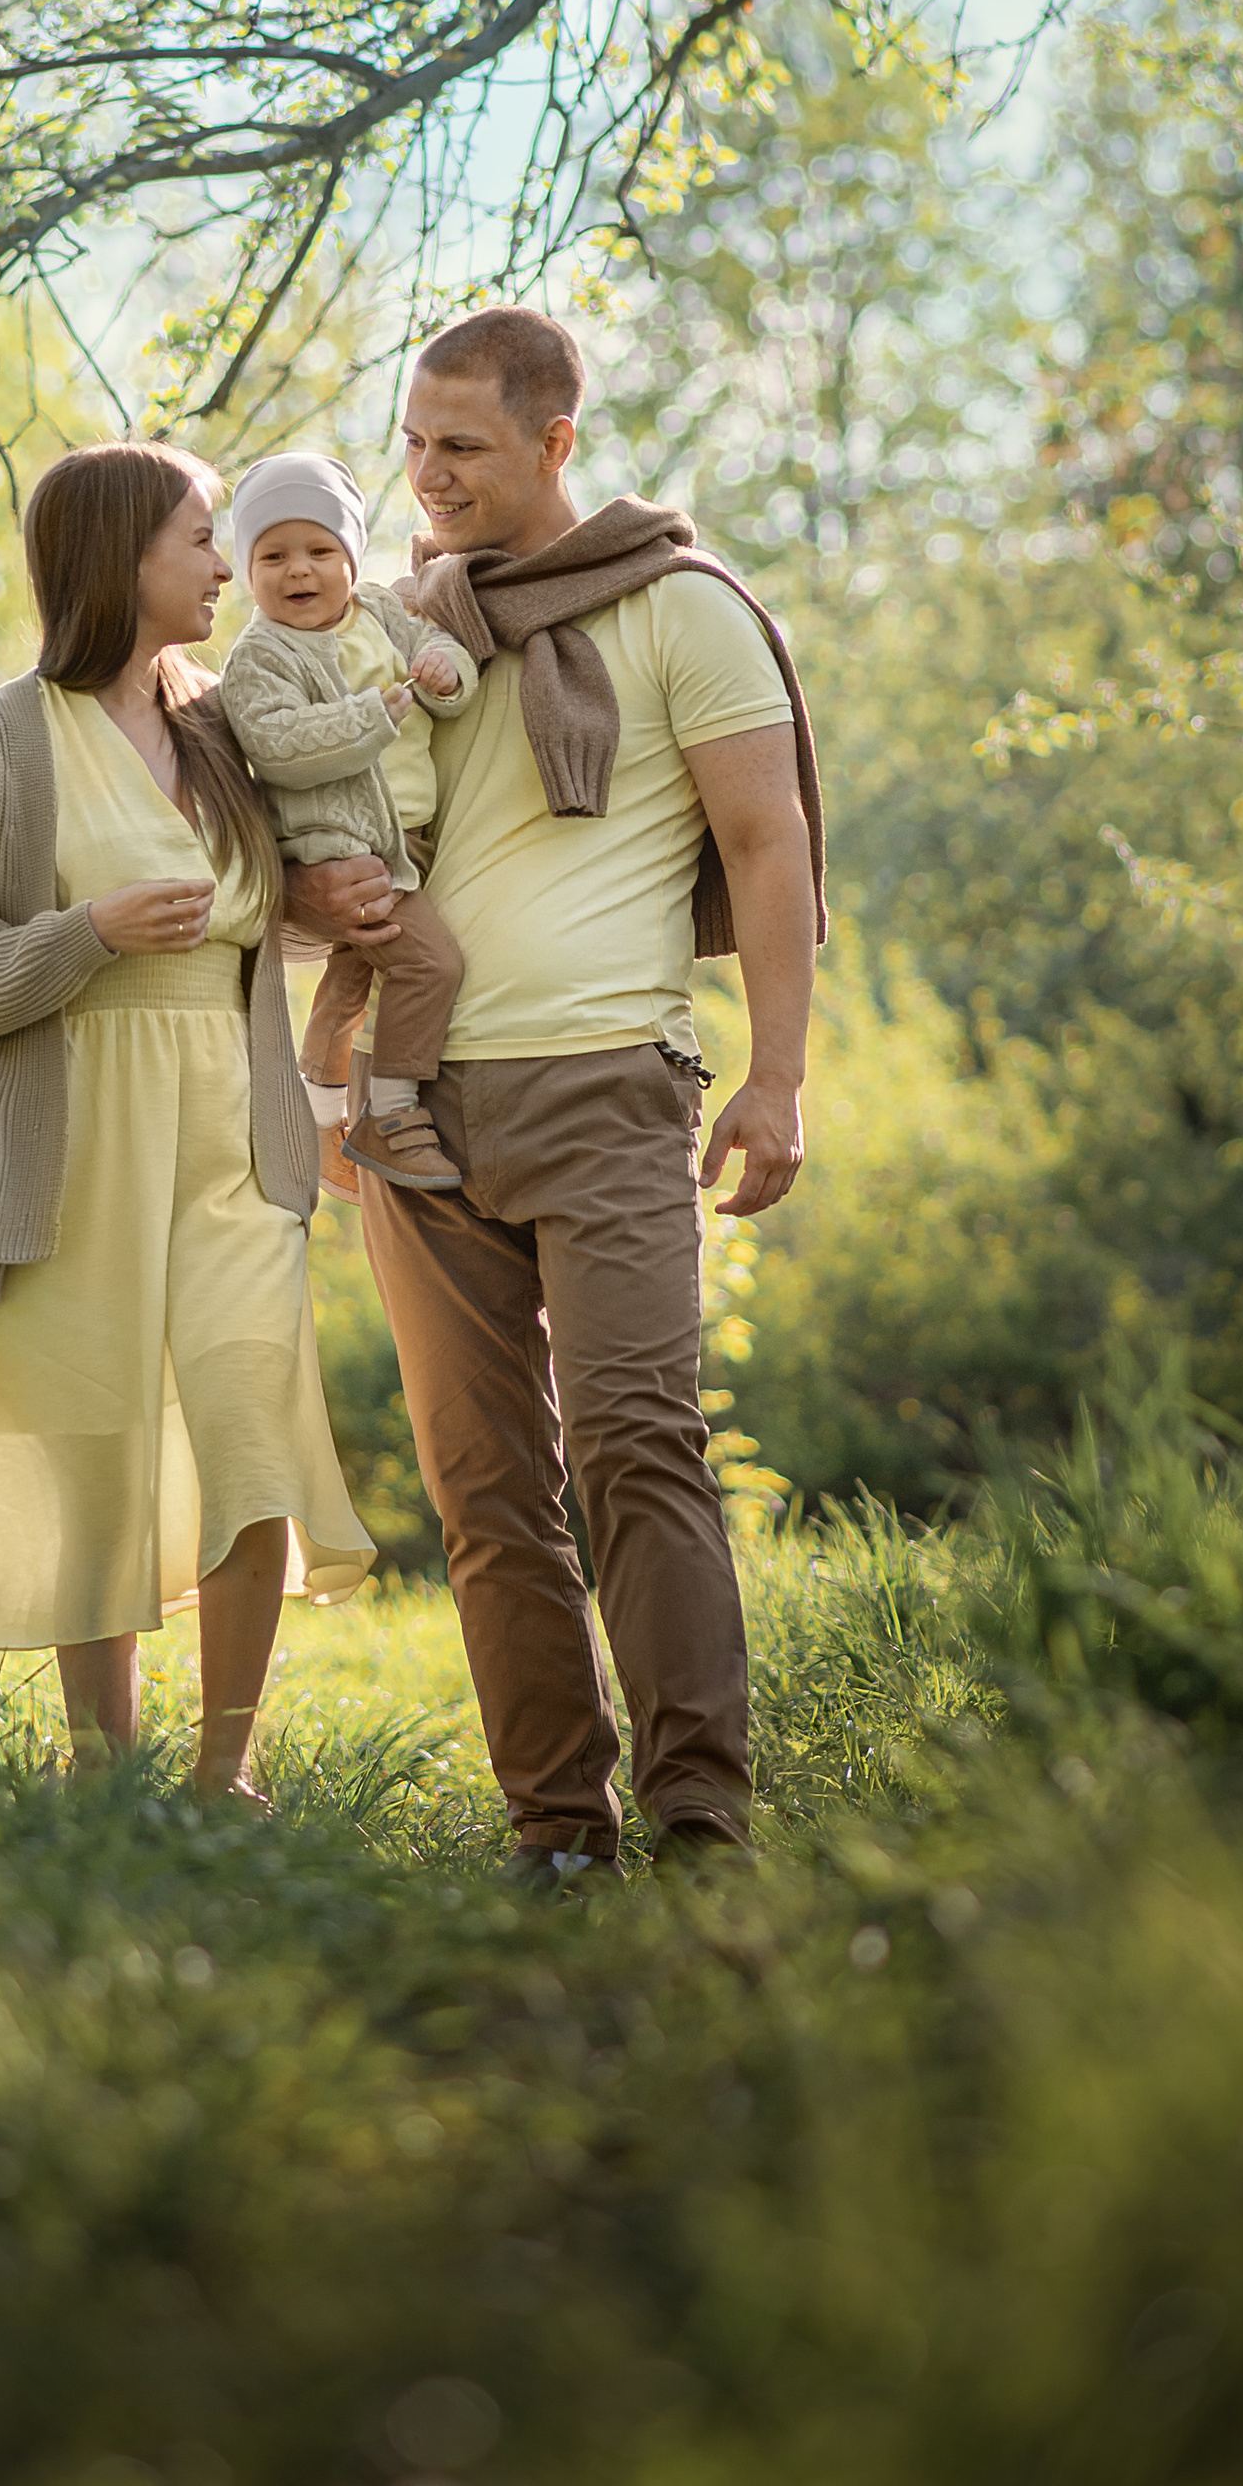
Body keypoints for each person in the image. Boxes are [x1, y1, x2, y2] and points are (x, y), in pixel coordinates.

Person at [286, 308, 824, 1884]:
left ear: (554, 442)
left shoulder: (684, 608)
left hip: (609, 1086)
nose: (425, 473)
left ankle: (702, 1814)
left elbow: (766, 843)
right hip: (415, 1105)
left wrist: (779, 1076)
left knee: (638, 1445)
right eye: (411, 439)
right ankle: (556, 1829)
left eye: (461, 444)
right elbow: (321, 813)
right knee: (482, 1484)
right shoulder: (392, 631)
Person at [0, 441, 372, 1796]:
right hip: (66, 1154)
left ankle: (226, 1771)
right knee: (95, 1457)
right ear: (119, 559)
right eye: (199, 539)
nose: (226, 566)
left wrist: (336, 915)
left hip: (234, 1135)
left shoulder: (233, 726)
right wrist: (86, 933)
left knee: (250, 1428)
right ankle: (101, 1766)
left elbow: (280, 902)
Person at [214, 449, 480, 1200]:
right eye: (273, 555)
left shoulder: (383, 612)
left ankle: (321, 1112)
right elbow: (279, 746)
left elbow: (437, 646)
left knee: (358, 969)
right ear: (249, 567)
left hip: (405, 836)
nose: (299, 571)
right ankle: (389, 1116)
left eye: (320, 551)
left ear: (351, 555)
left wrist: (446, 673)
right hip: (341, 843)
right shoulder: (261, 655)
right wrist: (379, 711)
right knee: (432, 966)